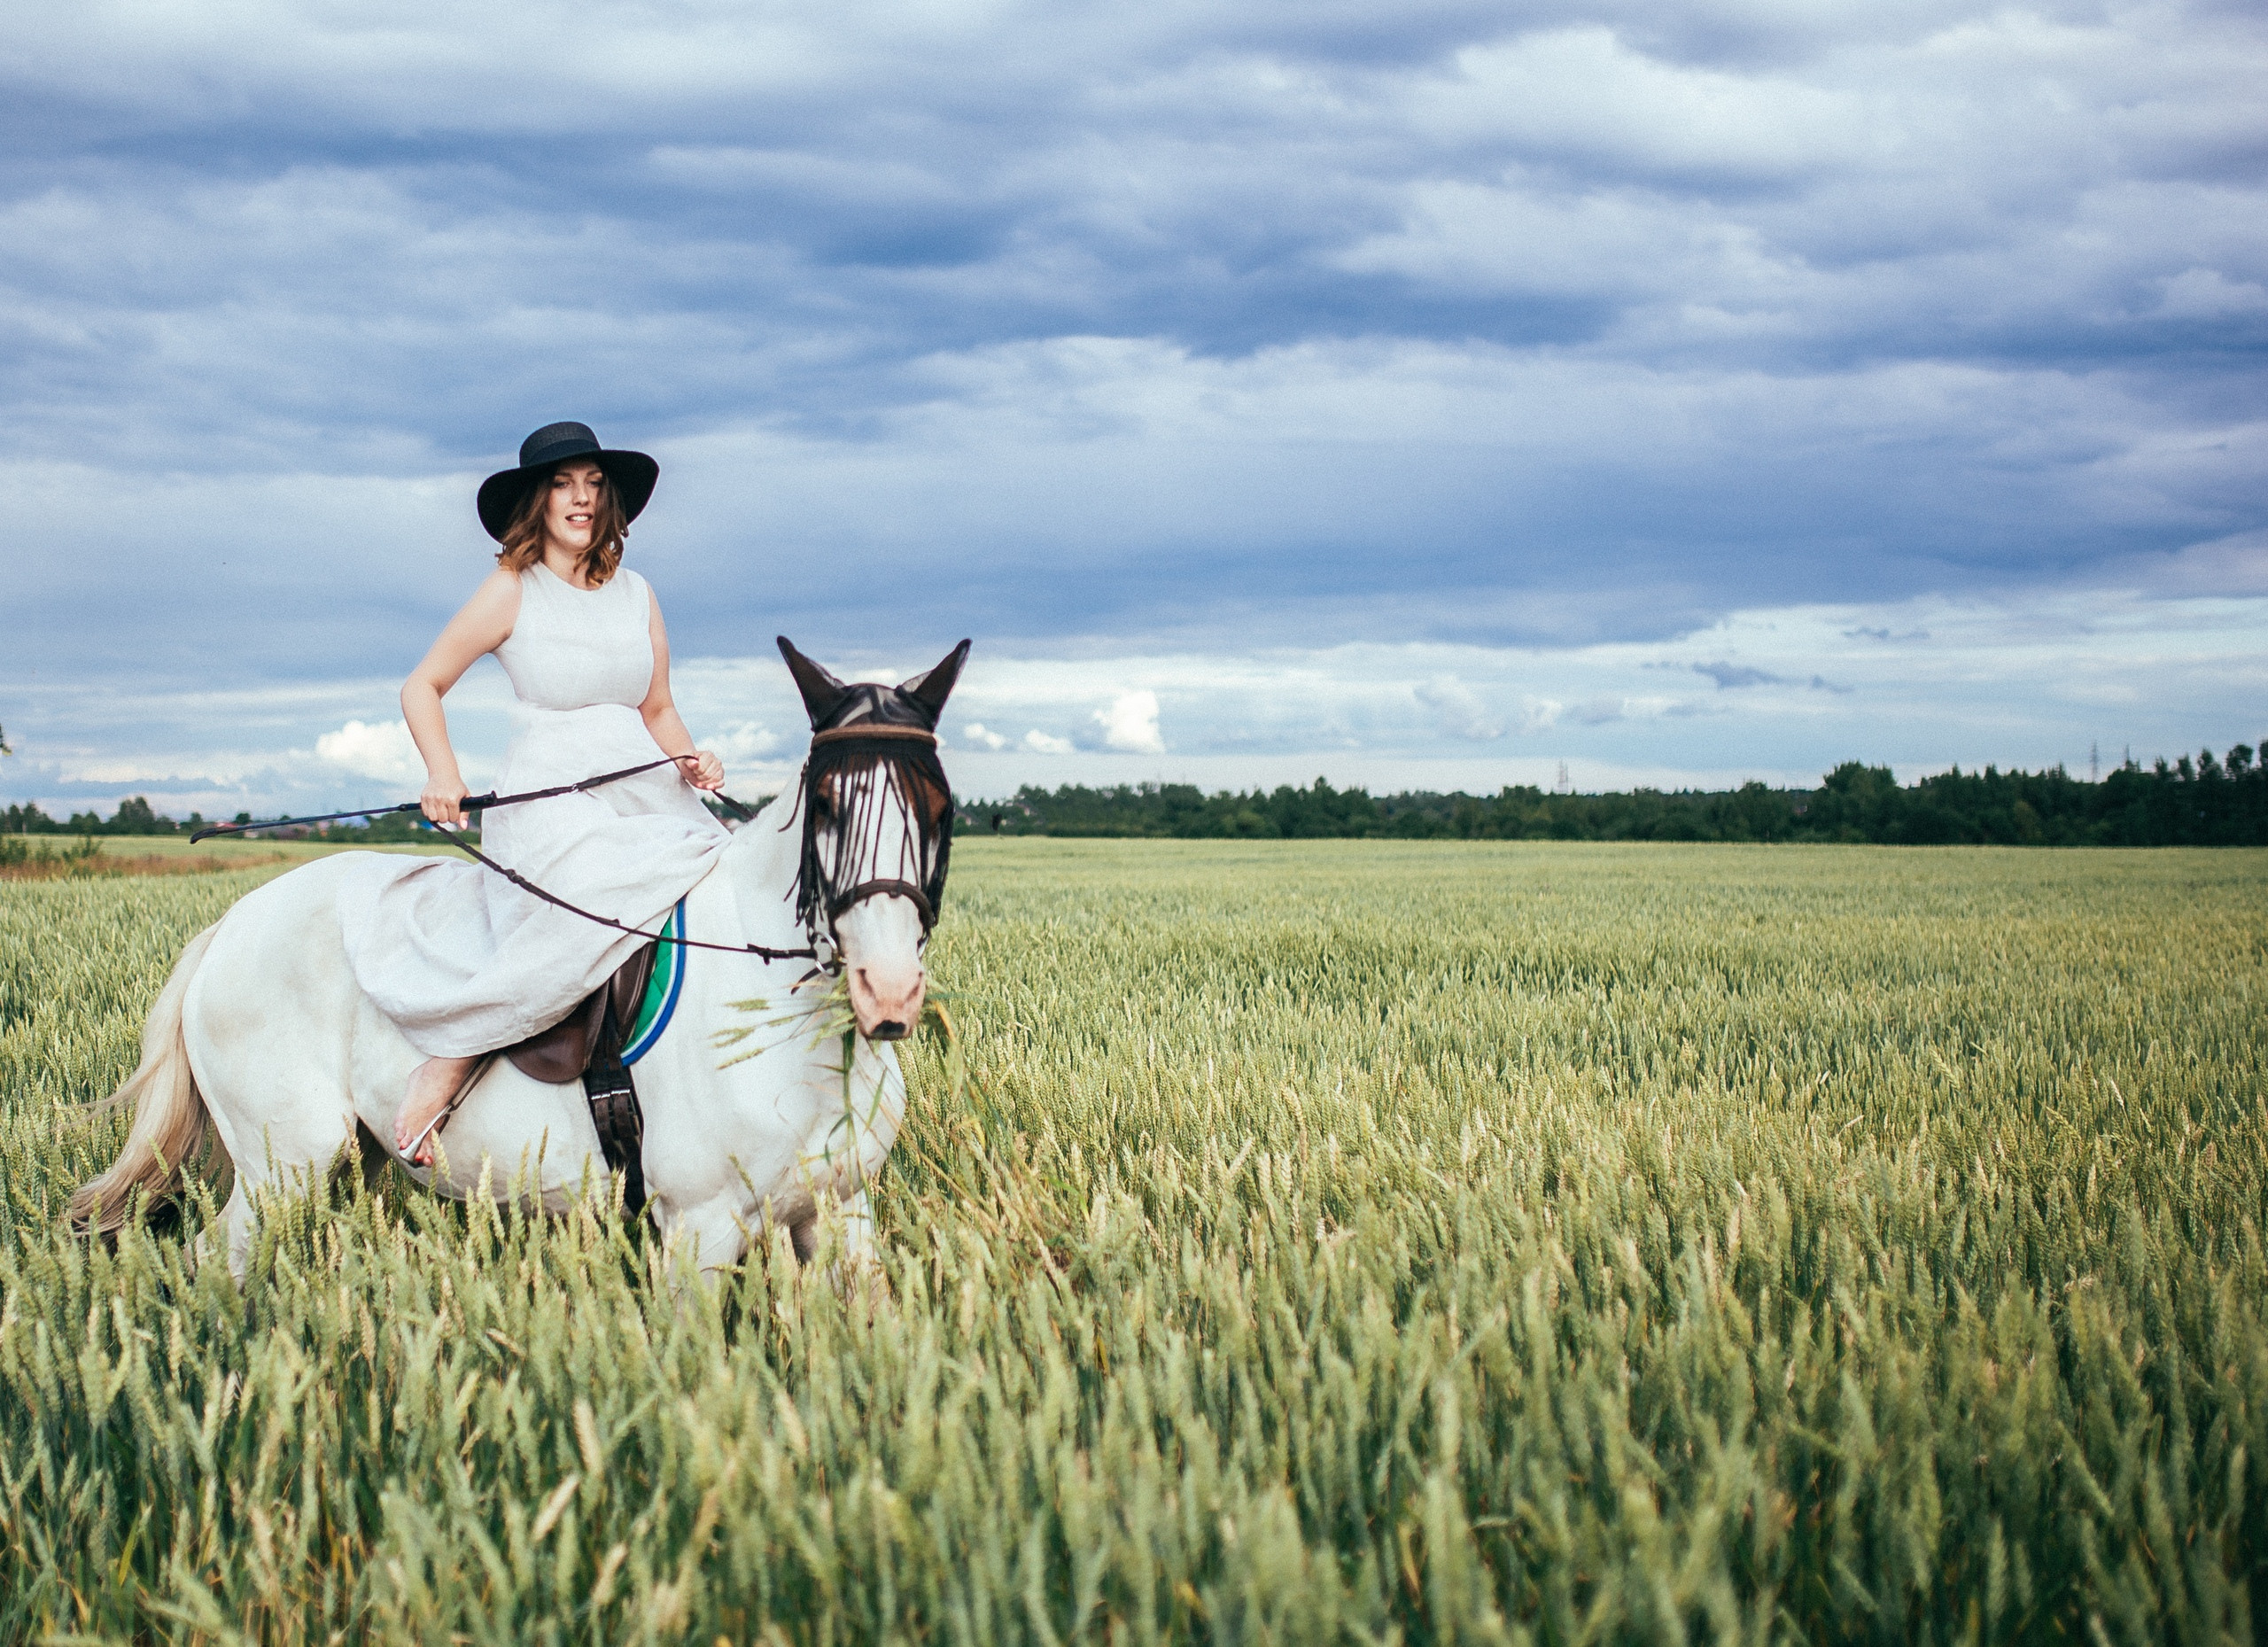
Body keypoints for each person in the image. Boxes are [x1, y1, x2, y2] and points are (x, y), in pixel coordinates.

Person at [336, 422, 731, 1162]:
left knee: (727, 876)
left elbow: (657, 709)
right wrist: (442, 771)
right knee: (592, 904)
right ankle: (456, 1054)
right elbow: (422, 684)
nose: (581, 497)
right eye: (562, 483)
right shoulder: (511, 589)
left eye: (592, 482)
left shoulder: (639, 594)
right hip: (551, 796)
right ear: (537, 502)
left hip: (644, 785)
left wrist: (691, 761)